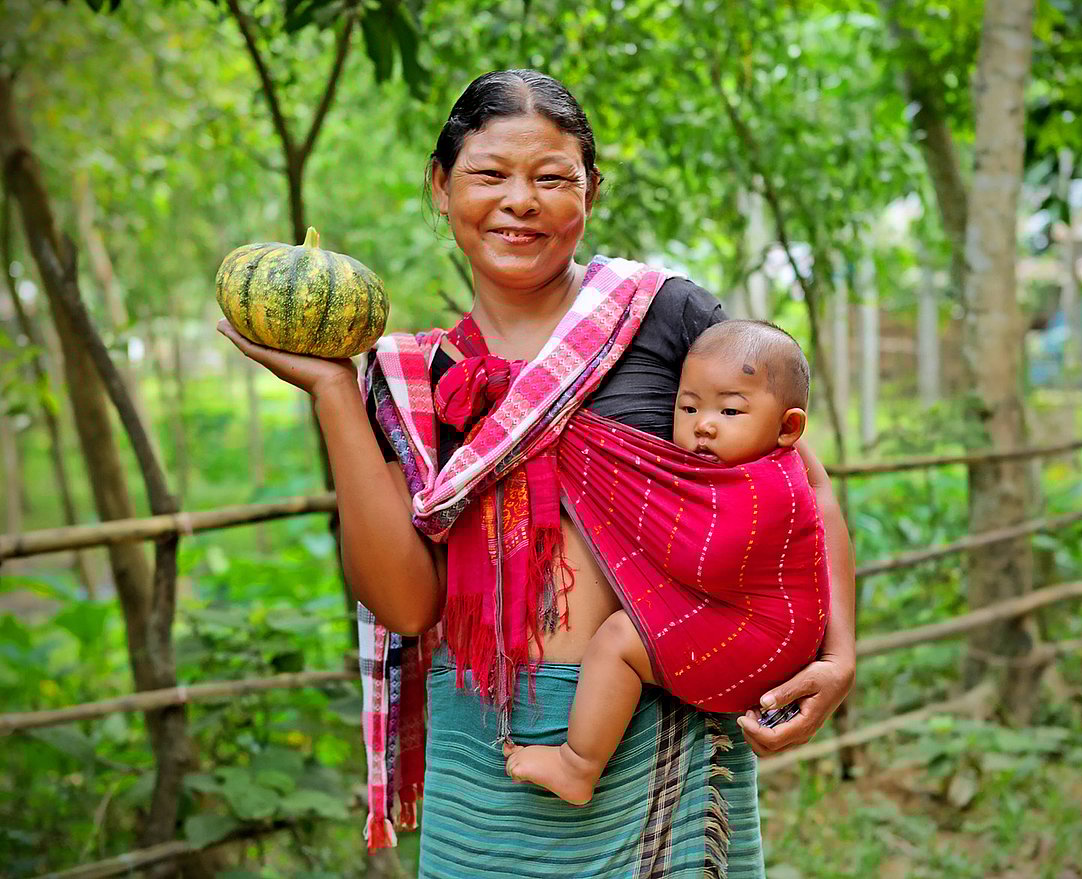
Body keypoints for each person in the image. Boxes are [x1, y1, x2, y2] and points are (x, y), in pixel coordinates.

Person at [218, 68, 855, 879]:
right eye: (489, 174)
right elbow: (409, 602)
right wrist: (335, 387)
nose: (520, 200)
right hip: (485, 743)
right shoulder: (418, 377)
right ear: (442, 187)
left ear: (590, 192)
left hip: (657, 728)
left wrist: (838, 658)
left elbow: (806, 489)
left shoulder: (660, 317)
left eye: (553, 178)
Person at [503, 319, 829, 806]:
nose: (704, 423)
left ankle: (578, 764)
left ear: (789, 428)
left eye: (730, 410)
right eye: (689, 406)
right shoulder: (747, 470)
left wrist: (601, 475)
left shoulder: (771, 490)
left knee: (617, 641)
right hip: (761, 632)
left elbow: (701, 557)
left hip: (762, 644)